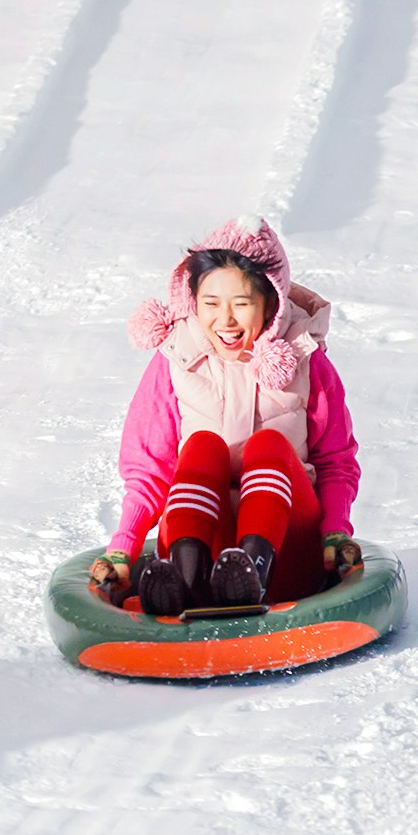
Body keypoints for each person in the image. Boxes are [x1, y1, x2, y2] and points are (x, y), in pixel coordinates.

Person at [88, 216, 362, 616]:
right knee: (201, 447)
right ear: (193, 302)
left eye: (242, 304)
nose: (226, 320)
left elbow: (336, 461)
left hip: (288, 551)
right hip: (202, 537)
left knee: (269, 444)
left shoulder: (305, 361)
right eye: (211, 304)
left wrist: (336, 530)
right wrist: (122, 548)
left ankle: (253, 570)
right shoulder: (177, 358)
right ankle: (184, 577)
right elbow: (149, 468)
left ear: (272, 302)